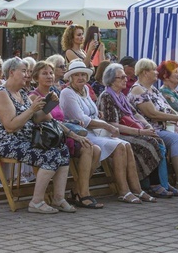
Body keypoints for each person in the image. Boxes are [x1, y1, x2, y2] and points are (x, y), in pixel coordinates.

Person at [60, 59, 153, 204]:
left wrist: (99, 118)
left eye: (83, 75)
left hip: (95, 131)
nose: (81, 78)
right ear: (70, 77)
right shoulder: (67, 92)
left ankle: (136, 189)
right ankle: (123, 191)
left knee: (126, 145)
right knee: (119, 146)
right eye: (76, 75)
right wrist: (106, 126)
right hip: (81, 133)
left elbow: (93, 113)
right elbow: (83, 119)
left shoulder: (85, 89)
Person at [0, 57, 71, 213]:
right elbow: (10, 126)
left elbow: (35, 118)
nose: (27, 74)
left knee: (63, 150)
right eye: (23, 71)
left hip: (27, 140)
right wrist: (31, 109)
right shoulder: (2, 94)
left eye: (28, 71)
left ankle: (58, 198)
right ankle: (37, 202)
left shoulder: (20, 93)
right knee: (51, 155)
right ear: (12, 72)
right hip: (9, 143)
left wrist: (49, 106)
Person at [31, 61, 102, 209]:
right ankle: (84, 194)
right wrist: (75, 136)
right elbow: (48, 121)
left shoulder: (55, 93)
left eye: (51, 73)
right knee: (88, 147)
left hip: (61, 132)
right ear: (36, 77)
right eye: (44, 73)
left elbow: (61, 118)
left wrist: (73, 122)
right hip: (49, 137)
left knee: (96, 150)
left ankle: (77, 190)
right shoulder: (34, 96)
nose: (49, 76)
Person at [96, 63, 170, 198]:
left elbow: (135, 114)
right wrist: (141, 132)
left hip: (129, 131)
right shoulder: (107, 96)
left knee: (157, 139)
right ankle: (149, 184)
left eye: (125, 76)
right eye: (122, 77)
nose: (126, 79)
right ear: (112, 80)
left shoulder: (121, 96)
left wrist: (147, 125)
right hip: (114, 134)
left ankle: (158, 183)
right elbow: (112, 124)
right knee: (148, 142)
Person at [130, 59, 178, 192]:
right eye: (153, 70)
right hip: (151, 128)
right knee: (176, 138)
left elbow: (167, 108)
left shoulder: (153, 89)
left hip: (166, 126)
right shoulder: (138, 89)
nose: (156, 72)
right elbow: (152, 114)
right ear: (145, 72)